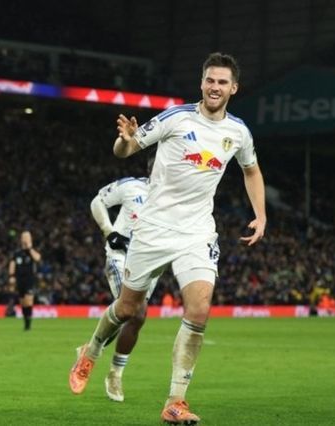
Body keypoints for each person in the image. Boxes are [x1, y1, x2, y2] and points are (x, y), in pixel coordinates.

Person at [69, 52, 266, 425]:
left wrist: (261, 214)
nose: (215, 87)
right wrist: (125, 140)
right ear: (202, 83)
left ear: (234, 88)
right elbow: (126, 149)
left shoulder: (238, 132)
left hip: (197, 231)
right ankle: (90, 350)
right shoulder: (175, 117)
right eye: (210, 80)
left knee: (199, 310)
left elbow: (251, 170)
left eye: (222, 82)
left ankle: (175, 402)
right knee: (128, 310)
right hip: (154, 229)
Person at [89, 176, 149, 402]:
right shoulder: (131, 186)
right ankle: (100, 359)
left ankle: (110, 369)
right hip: (120, 255)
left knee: (132, 318)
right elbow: (97, 201)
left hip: (149, 262)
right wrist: (109, 231)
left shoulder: (174, 195)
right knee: (136, 312)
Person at [8, 230, 41, 331]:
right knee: (23, 302)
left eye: (28, 237)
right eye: (24, 237)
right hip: (19, 280)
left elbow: (38, 258)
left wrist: (30, 248)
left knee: (29, 300)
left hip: (29, 279)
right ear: (21, 239)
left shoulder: (32, 252)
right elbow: (12, 264)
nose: (26, 239)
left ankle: (28, 325)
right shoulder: (17, 253)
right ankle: (26, 322)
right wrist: (11, 276)